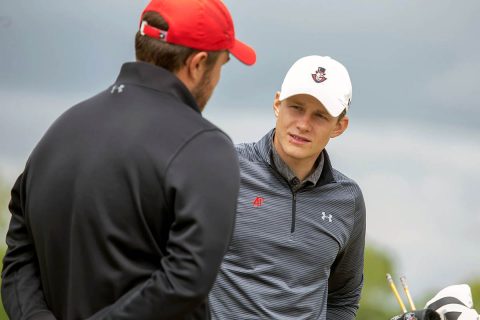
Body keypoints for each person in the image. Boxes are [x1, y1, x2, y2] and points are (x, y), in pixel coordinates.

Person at [1, 0, 256, 319]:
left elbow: (19, 259)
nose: (217, 79)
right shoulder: (204, 147)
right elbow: (185, 281)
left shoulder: (60, 131)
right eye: (222, 65)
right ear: (197, 64)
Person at [209, 55, 366, 319]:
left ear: (339, 126)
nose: (303, 124)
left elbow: (343, 297)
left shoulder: (347, 199)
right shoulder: (226, 168)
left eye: (320, 115)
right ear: (277, 104)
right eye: (295, 107)